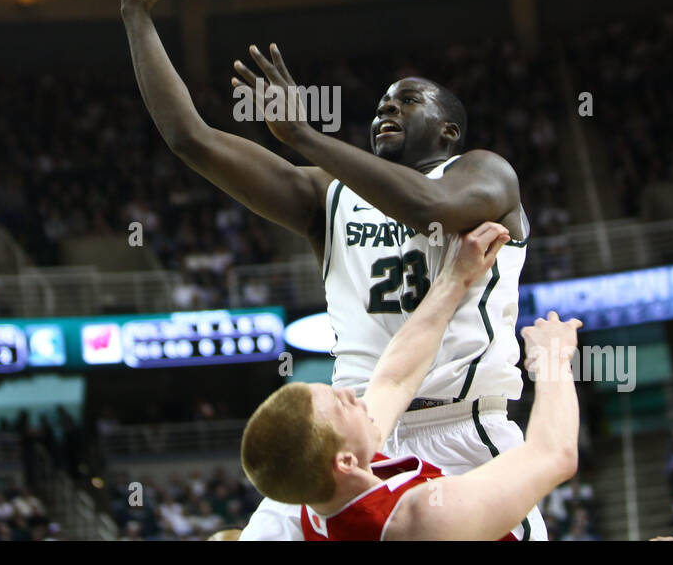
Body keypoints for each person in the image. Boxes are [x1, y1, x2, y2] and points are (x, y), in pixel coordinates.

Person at [114, 0, 545, 540]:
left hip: (464, 430)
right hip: (346, 428)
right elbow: (193, 139)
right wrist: (135, 15)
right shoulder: (328, 194)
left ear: (449, 131)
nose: (387, 108)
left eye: (409, 99)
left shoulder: (483, 175)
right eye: (380, 106)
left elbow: (427, 206)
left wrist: (307, 138)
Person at [240, 223, 580, 540]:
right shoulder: (422, 517)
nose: (348, 392)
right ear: (344, 463)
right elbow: (554, 454)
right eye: (342, 405)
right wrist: (552, 357)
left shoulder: (312, 494)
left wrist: (455, 279)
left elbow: (393, 380)